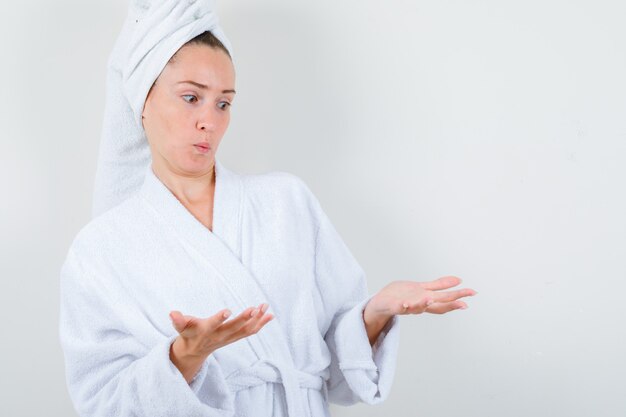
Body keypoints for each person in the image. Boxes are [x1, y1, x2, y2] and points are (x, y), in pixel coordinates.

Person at [59, 2, 476, 417]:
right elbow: (101, 401)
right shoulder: (100, 248)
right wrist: (184, 357)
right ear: (143, 100)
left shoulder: (286, 202)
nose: (209, 120)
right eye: (190, 97)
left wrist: (377, 311)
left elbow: (335, 365)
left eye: (223, 103)